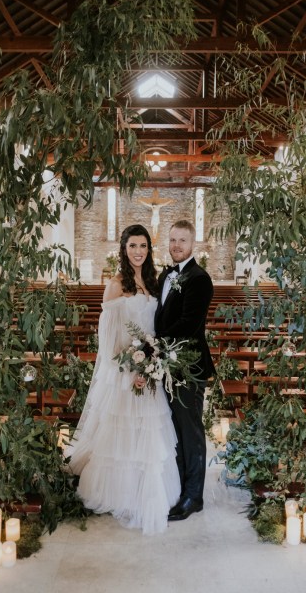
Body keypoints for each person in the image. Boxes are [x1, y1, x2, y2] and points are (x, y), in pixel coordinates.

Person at [66, 224, 180, 535]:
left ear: (149, 248)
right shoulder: (116, 285)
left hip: (150, 370)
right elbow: (109, 341)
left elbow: (157, 329)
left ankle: (147, 491)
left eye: (143, 246)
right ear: (124, 249)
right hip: (126, 372)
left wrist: (153, 362)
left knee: (149, 435)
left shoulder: (156, 282)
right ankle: (121, 493)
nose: (138, 251)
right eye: (133, 246)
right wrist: (132, 369)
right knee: (121, 434)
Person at [154, 219, 215, 521]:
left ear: (193, 245)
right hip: (165, 366)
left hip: (188, 366)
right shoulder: (166, 274)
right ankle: (180, 488)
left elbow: (189, 325)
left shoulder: (199, 278)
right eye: (173, 240)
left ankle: (194, 496)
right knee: (174, 429)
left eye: (182, 241)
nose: (176, 246)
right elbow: (160, 315)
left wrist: (154, 344)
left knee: (190, 431)